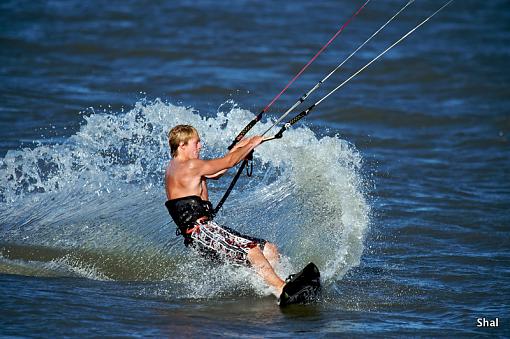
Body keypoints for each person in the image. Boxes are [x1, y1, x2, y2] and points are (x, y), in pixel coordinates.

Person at [164, 125, 286, 296]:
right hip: (200, 231)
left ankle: (272, 287)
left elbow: (216, 173)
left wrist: (238, 148)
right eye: (196, 143)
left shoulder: (175, 167)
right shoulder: (190, 165)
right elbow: (228, 162)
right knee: (251, 249)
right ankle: (282, 288)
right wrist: (252, 144)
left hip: (204, 232)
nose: (200, 146)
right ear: (182, 145)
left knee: (268, 249)